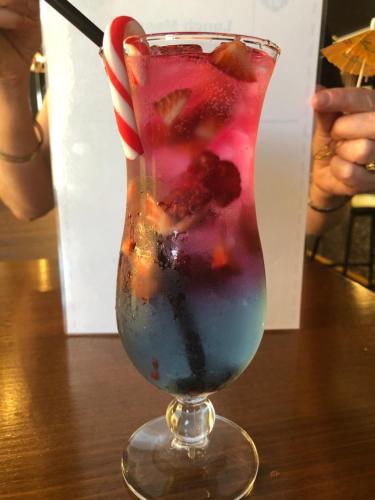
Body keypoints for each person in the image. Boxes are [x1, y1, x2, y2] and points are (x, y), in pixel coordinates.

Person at [1, 1, 375, 229]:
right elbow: (28, 203)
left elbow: (314, 221)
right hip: (125, 284)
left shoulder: (301, 19)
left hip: (252, 293)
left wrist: (325, 190)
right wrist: (9, 83)